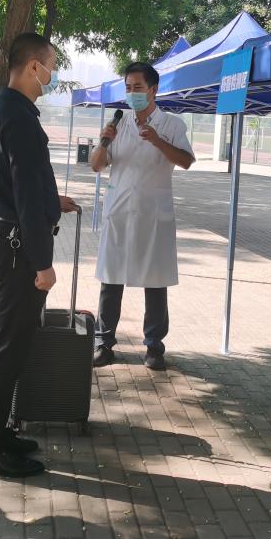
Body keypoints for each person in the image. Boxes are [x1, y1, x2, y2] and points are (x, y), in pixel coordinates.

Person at [0, 32, 78, 477]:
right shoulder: (18, 118)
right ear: (34, 66)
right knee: (8, 352)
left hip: (5, 236)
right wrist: (43, 264)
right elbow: (27, 197)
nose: (52, 73)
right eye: (50, 64)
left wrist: (54, 201)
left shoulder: (2, 109)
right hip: (18, 247)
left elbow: (25, 187)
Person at [90, 62, 195, 371]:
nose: (132, 92)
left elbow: (186, 161)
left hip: (153, 214)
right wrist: (104, 141)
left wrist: (157, 140)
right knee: (111, 279)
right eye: (128, 87)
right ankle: (104, 343)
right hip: (120, 212)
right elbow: (97, 165)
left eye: (137, 87)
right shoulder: (119, 124)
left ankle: (154, 347)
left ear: (153, 89)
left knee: (155, 281)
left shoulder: (172, 124)